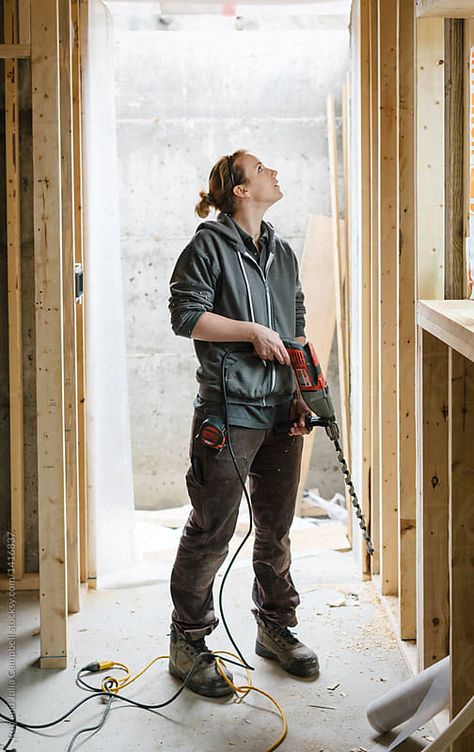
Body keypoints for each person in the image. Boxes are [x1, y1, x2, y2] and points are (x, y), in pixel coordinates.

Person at [167, 149, 319, 698]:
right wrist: (250, 331)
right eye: (262, 169)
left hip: (282, 408)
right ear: (239, 188)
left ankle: (274, 625)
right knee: (213, 529)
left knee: (276, 528)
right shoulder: (208, 245)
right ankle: (187, 641)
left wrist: (304, 389)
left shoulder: (281, 251)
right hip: (229, 410)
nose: (274, 171)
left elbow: (296, 323)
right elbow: (186, 316)